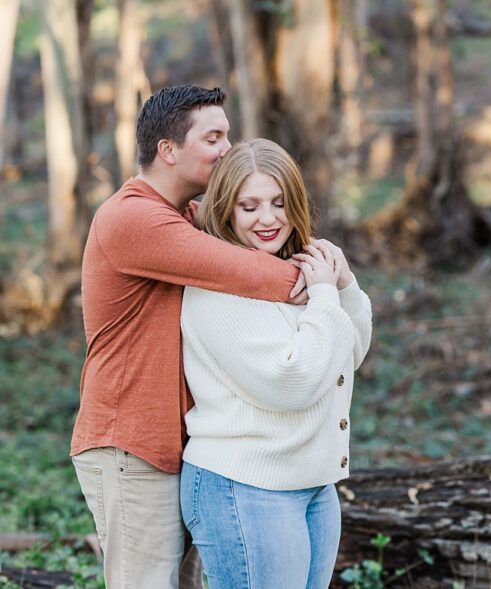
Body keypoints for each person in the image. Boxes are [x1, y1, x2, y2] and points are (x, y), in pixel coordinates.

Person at [70, 85, 315, 589]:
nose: (228, 148)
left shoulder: (181, 216)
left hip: (176, 445)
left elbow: (258, 228)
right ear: (168, 150)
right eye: (215, 137)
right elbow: (257, 272)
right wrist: (321, 279)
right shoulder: (133, 218)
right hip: (130, 444)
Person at [178, 139, 372, 589]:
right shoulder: (218, 285)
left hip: (313, 485)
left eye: (279, 203)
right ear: (226, 210)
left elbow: (348, 356)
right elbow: (293, 381)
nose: (268, 218)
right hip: (246, 488)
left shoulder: (293, 270)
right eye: (250, 206)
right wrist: (324, 297)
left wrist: (343, 285)